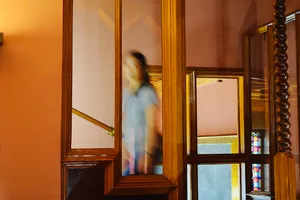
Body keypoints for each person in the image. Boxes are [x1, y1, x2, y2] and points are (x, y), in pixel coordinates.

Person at [122, 50, 159, 176]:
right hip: (129, 153)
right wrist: (123, 147)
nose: (130, 69)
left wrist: (147, 154)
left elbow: (151, 125)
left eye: (135, 65)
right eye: (127, 65)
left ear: (142, 69)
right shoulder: (126, 93)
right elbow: (123, 121)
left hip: (142, 153)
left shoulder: (148, 92)